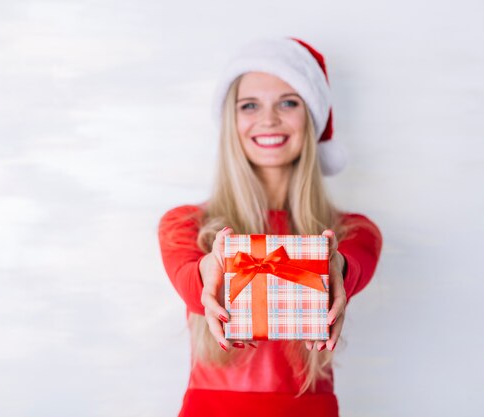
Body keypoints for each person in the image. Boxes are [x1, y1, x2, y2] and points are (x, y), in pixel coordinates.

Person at [157, 37, 383, 417]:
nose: (268, 119)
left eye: (288, 102)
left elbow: (351, 264)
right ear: (232, 121)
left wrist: (337, 269)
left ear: (311, 117)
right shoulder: (184, 225)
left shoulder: (354, 232)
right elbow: (190, 281)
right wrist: (207, 277)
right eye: (250, 105)